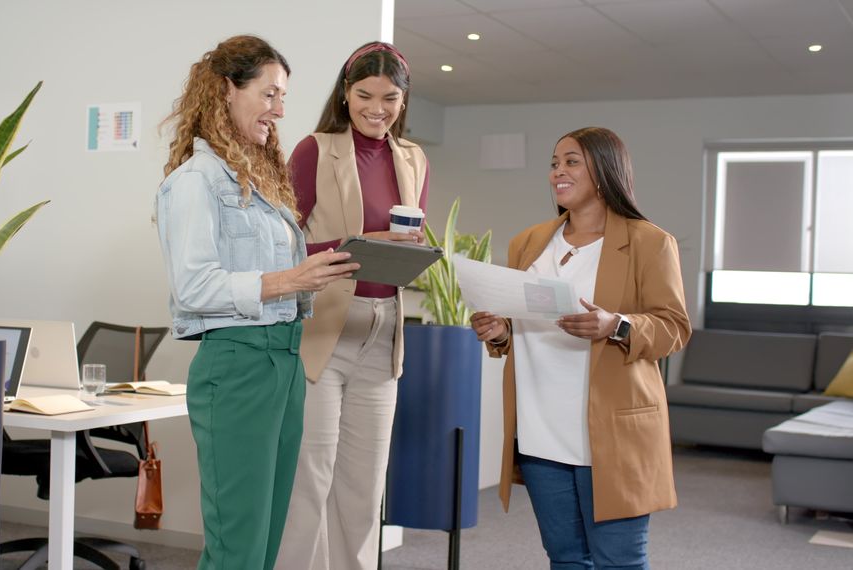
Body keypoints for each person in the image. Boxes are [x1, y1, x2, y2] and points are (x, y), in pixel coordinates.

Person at [154, 35, 359, 570]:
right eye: (269, 94)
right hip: (238, 364)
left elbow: (266, 277)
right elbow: (194, 289)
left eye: (283, 97)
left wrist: (310, 277)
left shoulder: (260, 184)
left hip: (285, 360)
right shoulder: (195, 181)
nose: (280, 110)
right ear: (227, 89)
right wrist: (292, 278)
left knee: (266, 541)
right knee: (237, 547)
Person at [469, 127, 690, 569]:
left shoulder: (649, 242)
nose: (557, 172)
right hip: (540, 430)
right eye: (554, 163)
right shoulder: (529, 242)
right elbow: (524, 325)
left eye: (571, 162)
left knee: (619, 561)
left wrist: (617, 325)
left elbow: (673, 328)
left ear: (605, 170)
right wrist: (499, 331)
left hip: (610, 432)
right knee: (566, 558)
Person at [276, 41, 429, 570]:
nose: (377, 108)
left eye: (390, 98)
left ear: (404, 100)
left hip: (383, 332)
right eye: (364, 95)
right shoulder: (315, 150)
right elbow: (283, 246)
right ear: (345, 94)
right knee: (309, 481)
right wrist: (359, 242)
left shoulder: (413, 157)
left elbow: (407, 236)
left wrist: (409, 249)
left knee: (364, 488)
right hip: (323, 329)